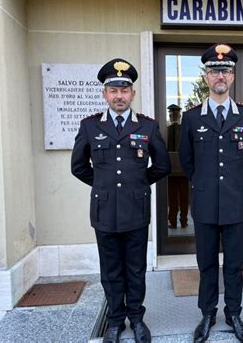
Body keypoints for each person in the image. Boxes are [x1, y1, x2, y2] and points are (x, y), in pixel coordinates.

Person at [71, 58, 171, 343]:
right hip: (104, 212)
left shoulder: (148, 127)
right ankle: (115, 320)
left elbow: (162, 166)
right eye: (113, 90)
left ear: (133, 94)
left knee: (136, 269)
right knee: (111, 270)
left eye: (124, 89)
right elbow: (78, 167)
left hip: (136, 211)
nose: (119, 95)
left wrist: (136, 185)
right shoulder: (90, 126)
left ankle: (137, 319)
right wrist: (104, 186)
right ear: (105, 94)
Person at [178, 44, 243, 343]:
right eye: (214, 70)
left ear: (233, 75)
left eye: (225, 70)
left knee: (236, 265)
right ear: (206, 77)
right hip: (205, 204)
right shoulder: (191, 118)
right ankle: (207, 314)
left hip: (235, 203)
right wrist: (206, 183)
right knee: (208, 264)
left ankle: (234, 313)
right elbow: (188, 161)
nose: (220, 75)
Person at [166, 104, 189, 229]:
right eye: (172, 114)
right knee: (177, 197)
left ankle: (176, 221)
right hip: (178, 170)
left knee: (177, 197)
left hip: (178, 170)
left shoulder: (168, 130)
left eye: (173, 114)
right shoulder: (170, 130)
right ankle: (179, 220)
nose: (173, 116)